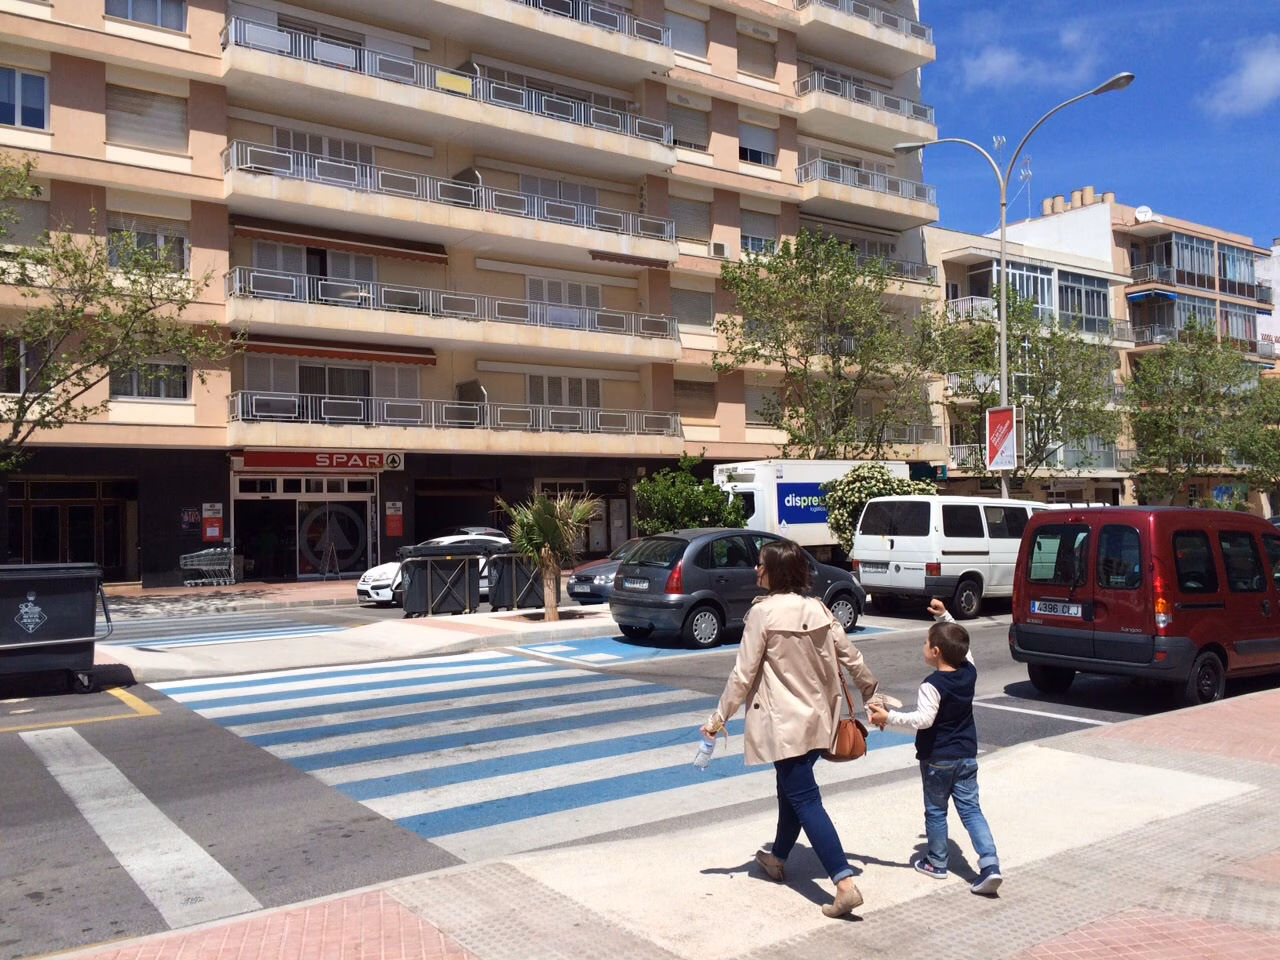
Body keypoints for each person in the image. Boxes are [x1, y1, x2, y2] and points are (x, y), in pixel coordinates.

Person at [701, 538, 888, 918]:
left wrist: (717, 719)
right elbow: (851, 657)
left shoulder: (762, 614)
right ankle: (778, 857)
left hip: (784, 725)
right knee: (791, 792)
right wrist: (872, 694)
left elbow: (742, 675)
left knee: (804, 799)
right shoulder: (818, 608)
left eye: (761, 564)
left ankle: (843, 883)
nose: (756, 570)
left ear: (776, 571)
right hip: (820, 721)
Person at [866, 598, 1003, 896]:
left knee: (936, 810)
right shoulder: (969, 672)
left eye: (927, 642)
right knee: (971, 810)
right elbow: (968, 650)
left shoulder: (932, 685)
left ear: (936, 651)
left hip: (937, 758)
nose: (924, 646)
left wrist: (887, 716)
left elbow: (923, 719)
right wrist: (946, 617)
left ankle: (937, 862)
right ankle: (990, 865)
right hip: (966, 755)